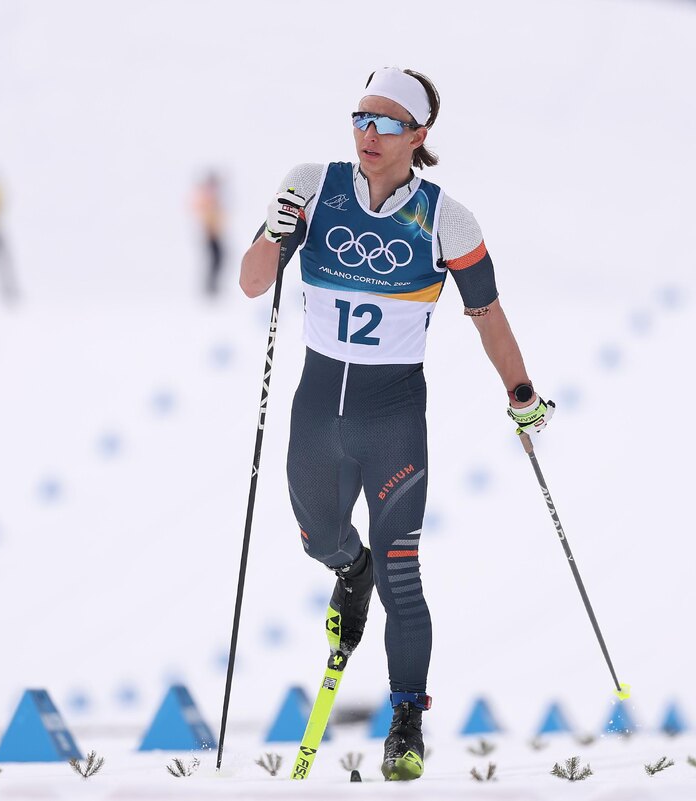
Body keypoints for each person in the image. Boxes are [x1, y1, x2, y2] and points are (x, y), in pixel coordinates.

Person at [239, 68, 554, 781]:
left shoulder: (447, 219)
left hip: (393, 420)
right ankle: (349, 569)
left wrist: (522, 394)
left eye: (385, 123)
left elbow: (488, 315)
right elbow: (255, 282)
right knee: (322, 539)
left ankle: (406, 721)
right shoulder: (312, 186)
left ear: (418, 135)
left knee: (403, 572)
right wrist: (277, 230)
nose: (368, 134)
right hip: (317, 413)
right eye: (360, 118)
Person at [194, 172, 226, 296]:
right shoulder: (208, 197)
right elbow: (207, 216)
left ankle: (212, 285)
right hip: (211, 234)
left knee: (217, 259)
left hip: (214, 233)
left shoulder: (212, 196)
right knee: (215, 259)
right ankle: (210, 286)